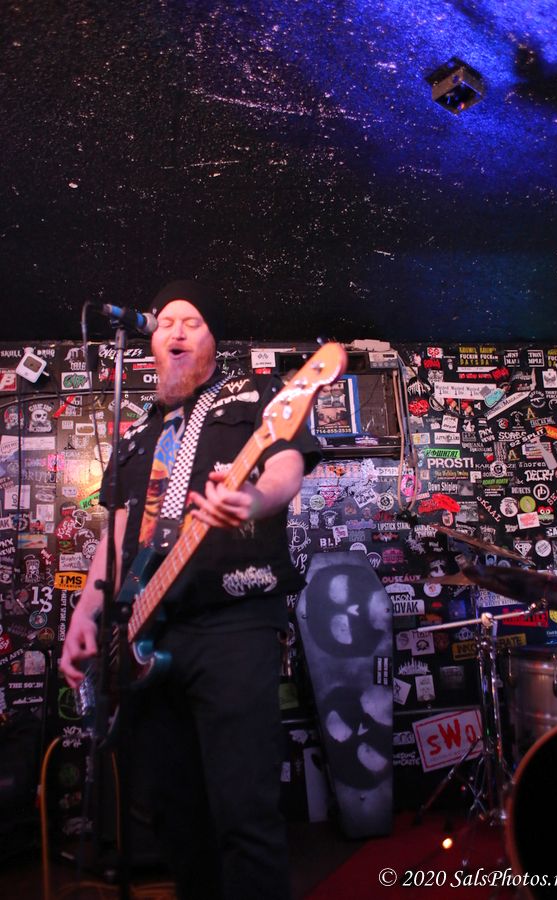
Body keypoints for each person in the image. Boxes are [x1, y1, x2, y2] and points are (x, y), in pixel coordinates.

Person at [60, 279, 321, 900]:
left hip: (233, 620)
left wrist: (253, 497)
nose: (176, 330)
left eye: (192, 321)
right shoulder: (134, 436)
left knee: (244, 811)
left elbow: (285, 463)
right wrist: (86, 614)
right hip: (145, 633)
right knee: (176, 818)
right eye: (165, 322)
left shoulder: (256, 395)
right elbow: (116, 536)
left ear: (212, 340)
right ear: (151, 342)